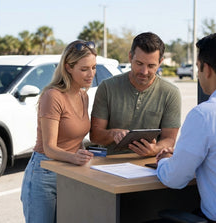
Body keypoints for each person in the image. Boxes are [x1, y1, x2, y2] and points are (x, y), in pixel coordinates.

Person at [156, 32, 216, 222]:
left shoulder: (205, 114)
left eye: (198, 68)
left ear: (206, 69)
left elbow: (175, 179)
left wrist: (165, 160)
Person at [20, 40, 96, 223]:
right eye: (84, 69)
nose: (91, 74)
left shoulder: (83, 96)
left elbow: (76, 138)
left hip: (69, 171)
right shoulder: (53, 96)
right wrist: (74, 158)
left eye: (94, 67)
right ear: (68, 67)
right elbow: (49, 148)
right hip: (44, 173)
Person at [90, 32, 181, 156]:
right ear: (130, 57)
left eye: (151, 66)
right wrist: (113, 134)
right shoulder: (107, 87)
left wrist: (154, 149)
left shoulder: (171, 93)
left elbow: (169, 139)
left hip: (151, 164)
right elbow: (95, 136)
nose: (144, 71)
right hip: (111, 164)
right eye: (139, 64)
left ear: (160, 62)